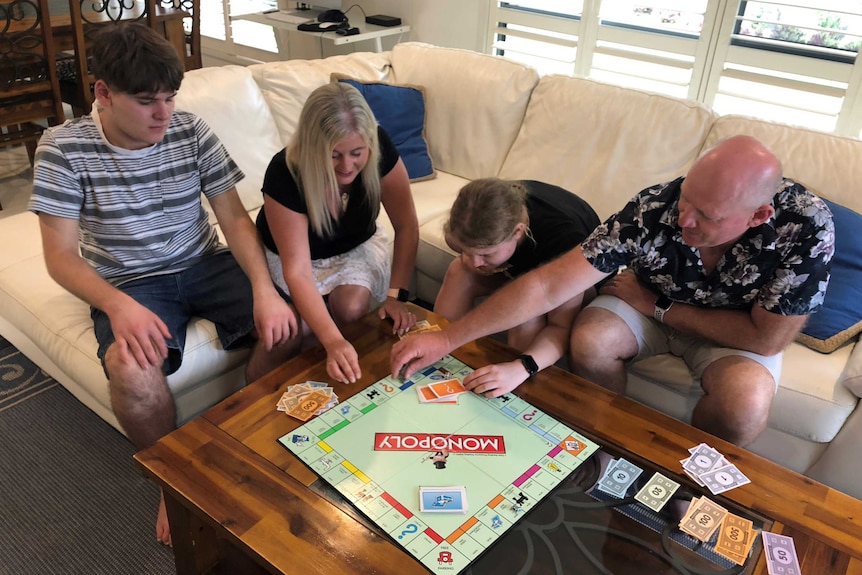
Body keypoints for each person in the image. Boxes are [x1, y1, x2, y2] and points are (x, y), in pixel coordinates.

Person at [29, 23, 302, 546]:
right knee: (132, 373)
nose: (164, 114)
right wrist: (117, 305)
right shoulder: (63, 149)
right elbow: (60, 258)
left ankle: (243, 436)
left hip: (202, 260)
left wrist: (265, 288)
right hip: (128, 282)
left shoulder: (191, 130)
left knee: (290, 323)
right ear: (102, 93)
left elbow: (235, 220)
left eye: (170, 98)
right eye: (147, 101)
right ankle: (174, 479)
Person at [391, 135, 834, 447]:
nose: (684, 221)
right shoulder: (654, 206)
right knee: (591, 338)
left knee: (746, 405)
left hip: (727, 328)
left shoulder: (809, 227)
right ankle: (603, 442)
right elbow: (548, 284)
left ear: (757, 216)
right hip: (643, 308)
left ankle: (687, 483)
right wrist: (446, 338)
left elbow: (768, 339)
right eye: (686, 201)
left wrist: (658, 307)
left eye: (706, 216)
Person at [256, 82, 419, 385]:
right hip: (295, 257)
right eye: (334, 155)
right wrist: (333, 341)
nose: (347, 166)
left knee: (351, 306)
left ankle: (341, 378)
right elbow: (298, 270)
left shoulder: (380, 146)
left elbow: (407, 225)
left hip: (356, 244)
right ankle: (258, 395)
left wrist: (398, 296)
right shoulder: (284, 171)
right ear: (312, 147)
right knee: (298, 327)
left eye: (357, 153)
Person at [435, 178, 600, 397]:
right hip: (521, 266)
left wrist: (523, 366)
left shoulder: (563, 238)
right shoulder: (492, 204)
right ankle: (435, 357)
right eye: (466, 251)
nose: (472, 262)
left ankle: (516, 394)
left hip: (577, 274)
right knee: (459, 271)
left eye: (486, 254)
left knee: (525, 318)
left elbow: (561, 327)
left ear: (518, 231)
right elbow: (470, 257)